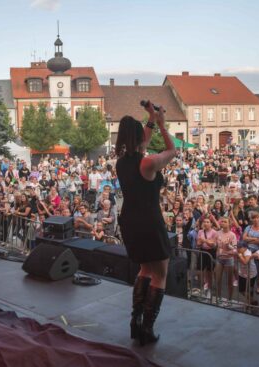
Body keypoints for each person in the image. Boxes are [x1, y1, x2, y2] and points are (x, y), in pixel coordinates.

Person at [115, 101, 176, 346]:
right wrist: (162, 125)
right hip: (149, 219)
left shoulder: (122, 162)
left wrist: (151, 117)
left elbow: (142, 144)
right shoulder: (148, 163)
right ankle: (147, 328)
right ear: (139, 136)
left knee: (144, 269)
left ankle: (135, 322)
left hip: (129, 219)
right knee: (160, 273)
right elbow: (172, 152)